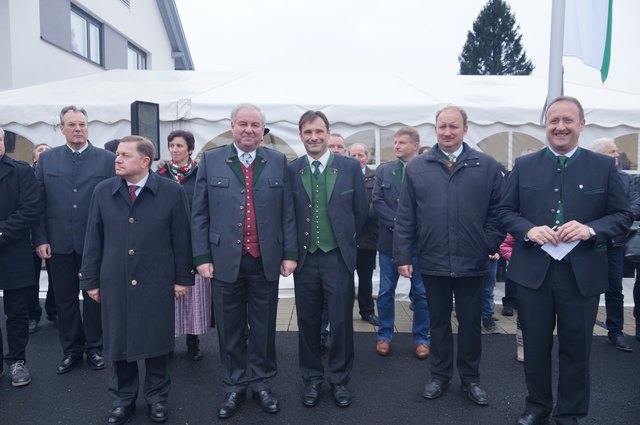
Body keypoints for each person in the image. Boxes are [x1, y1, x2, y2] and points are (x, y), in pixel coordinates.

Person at [498, 96, 632, 425]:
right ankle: (536, 407)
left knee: (576, 350)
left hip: (581, 276)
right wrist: (529, 230)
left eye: (568, 120)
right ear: (546, 125)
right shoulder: (525, 165)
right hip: (534, 275)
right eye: (553, 120)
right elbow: (503, 212)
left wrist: (590, 229)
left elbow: (622, 216)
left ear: (582, 125)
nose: (560, 127)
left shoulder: (602, 166)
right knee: (535, 348)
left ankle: (570, 413)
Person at [191, 103, 297, 419]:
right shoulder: (211, 160)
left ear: (262, 130)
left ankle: (262, 383)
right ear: (232, 126)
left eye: (255, 125)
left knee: (264, 328)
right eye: (242, 124)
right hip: (224, 260)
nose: (249, 129)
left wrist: (290, 253)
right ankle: (235, 385)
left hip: (265, 259)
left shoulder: (278, 161)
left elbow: (288, 212)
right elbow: (199, 213)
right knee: (230, 328)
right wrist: (201, 257)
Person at [394, 106, 504, 407]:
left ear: (465, 129)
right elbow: (405, 216)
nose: (447, 132)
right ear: (435, 128)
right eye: (442, 126)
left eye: (453, 126)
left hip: (473, 261)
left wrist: (489, 243)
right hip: (433, 261)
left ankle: (470, 379)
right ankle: (440, 376)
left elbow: (499, 211)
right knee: (438, 323)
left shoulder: (487, 166)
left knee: (470, 323)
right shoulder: (417, 168)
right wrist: (403, 254)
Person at [79, 136, 193, 424]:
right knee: (119, 344)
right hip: (115, 280)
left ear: (145, 161)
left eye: (125, 155)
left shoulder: (171, 191)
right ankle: (122, 399)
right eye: (117, 154)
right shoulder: (103, 191)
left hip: (156, 279)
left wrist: (182, 279)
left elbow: (181, 239)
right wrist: (90, 280)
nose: (117, 159)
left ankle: (157, 398)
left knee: (157, 343)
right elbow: (93, 239)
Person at [289, 110, 367, 408]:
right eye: (307, 132)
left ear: (327, 132)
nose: (314, 137)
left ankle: (338, 379)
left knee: (341, 322)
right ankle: (311, 378)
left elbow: (360, 212)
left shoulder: (348, 167)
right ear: (301, 135)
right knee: (307, 322)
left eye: (318, 131)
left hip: (338, 258)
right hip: (306, 259)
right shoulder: (292, 169)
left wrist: (344, 241)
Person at [33, 105, 115, 374]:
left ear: (88, 127)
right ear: (61, 129)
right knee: (65, 299)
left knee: (94, 297)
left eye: (82, 124)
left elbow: (115, 203)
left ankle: (95, 348)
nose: (78, 129)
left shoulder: (107, 159)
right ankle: (71, 350)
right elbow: (38, 203)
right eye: (72, 125)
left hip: (95, 244)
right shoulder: (47, 160)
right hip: (58, 243)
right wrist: (40, 238)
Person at [372, 127, 430, 359]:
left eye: (401, 142)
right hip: (390, 242)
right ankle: (384, 336)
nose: (396, 146)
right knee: (386, 291)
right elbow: (377, 201)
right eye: (395, 142)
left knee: (422, 293)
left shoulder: (427, 170)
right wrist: (400, 223)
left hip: (420, 244)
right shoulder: (384, 171)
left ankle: (422, 339)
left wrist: (411, 227)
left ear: (415, 146)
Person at [158, 130, 212, 361]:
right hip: (166, 241)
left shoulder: (200, 173)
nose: (175, 149)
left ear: (190, 148)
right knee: (168, 294)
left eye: (180, 145)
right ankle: (166, 341)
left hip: (194, 240)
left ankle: (193, 340)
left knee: (193, 294)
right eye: (171, 145)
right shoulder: (160, 174)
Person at [0, 127, 41, 387]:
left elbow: (30, 209)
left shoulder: (21, 171)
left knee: (16, 312)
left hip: (12, 250)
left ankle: (17, 361)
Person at [348, 143, 378, 326]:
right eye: (353, 155)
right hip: (348, 238)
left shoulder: (375, 176)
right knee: (346, 278)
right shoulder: (344, 174)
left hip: (368, 236)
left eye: (361, 154)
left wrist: (363, 216)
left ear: (367, 157)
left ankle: (367, 311)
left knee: (366, 278)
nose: (357, 158)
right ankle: (345, 311)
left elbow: (376, 204)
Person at [28, 143, 56, 334]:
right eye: (40, 150)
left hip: (54, 233)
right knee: (31, 278)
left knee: (57, 279)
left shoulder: (55, 176)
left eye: (47, 150)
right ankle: (32, 315)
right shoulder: (24, 174)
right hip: (30, 235)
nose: (44, 152)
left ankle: (54, 311)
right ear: (34, 157)